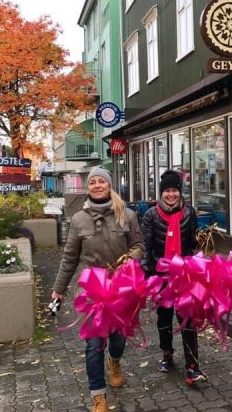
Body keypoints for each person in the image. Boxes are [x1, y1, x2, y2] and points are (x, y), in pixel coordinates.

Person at [51, 167, 143, 412]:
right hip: (92, 288)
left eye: (102, 181)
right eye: (93, 182)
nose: (98, 185)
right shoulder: (79, 219)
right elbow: (70, 257)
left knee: (118, 338)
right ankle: (98, 394)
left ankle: (115, 361)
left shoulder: (128, 214)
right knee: (93, 344)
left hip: (121, 287)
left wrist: (129, 260)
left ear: (110, 185)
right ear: (88, 187)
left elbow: (138, 245)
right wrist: (59, 289)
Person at [140, 169, 207, 385]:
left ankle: (192, 366)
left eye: (174, 190)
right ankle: (167, 354)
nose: (171, 194)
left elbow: (194, 245)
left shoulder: (189, 213)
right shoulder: (151, 215)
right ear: (161, 193)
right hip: (161, 276)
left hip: (184, 275)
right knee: (164, 318)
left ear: (179, 192)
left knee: (188, 319)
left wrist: (200, 259)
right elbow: (146, 247)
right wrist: (148, 275)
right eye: (167, 191)